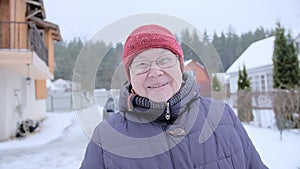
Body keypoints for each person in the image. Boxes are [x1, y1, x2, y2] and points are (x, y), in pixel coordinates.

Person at [80, 24, 268, 169]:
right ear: (130, 76)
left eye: (164, 60)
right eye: (142, 64)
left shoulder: (222, 114)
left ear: (180, 66)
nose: (155, 72)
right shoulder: (105, 137)